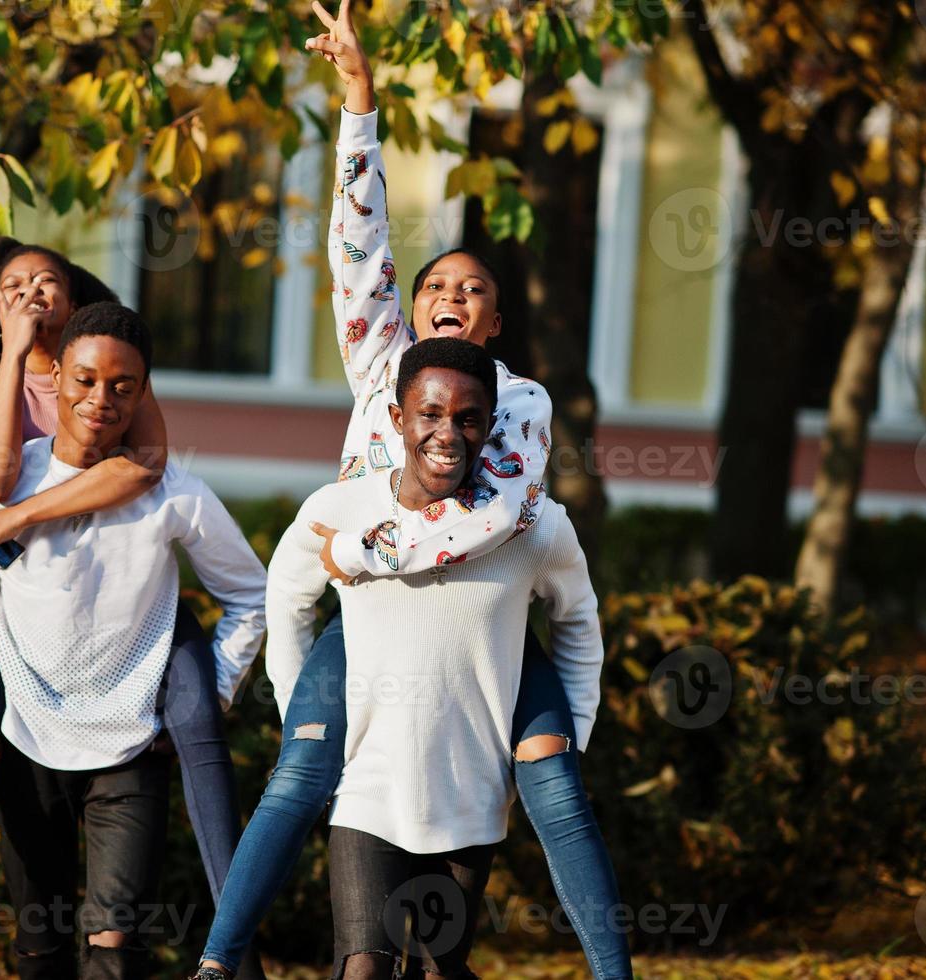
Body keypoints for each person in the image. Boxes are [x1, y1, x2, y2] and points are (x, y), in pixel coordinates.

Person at [190, 4, 632, 977]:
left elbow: (492, 516)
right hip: (374, 624)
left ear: (496, 321)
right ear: (413, 306)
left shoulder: (519, 401)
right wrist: (359, 97)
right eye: (438, 282)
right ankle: (218, 961)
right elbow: (359, 247)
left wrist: (366, 545)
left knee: (553, 782)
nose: (453, 294)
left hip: (489, 627)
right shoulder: (380, 367)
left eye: (475, 289)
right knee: (303, 770)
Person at [0, 239, 267, 980]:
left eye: (123, 388)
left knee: (113, 953)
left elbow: (249, 593)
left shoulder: (173, 491)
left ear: (143, 394)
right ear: (54, 382)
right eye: (85, 381)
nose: (100, 399)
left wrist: (215, 685)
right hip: (26, 738)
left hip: (129, 746)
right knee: (40, 951)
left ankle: (233, 954)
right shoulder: (0, 487)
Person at [267, 338, 605, 979]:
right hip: (368, 789)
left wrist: (575, 734)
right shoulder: (345, 508)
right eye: (430, 414)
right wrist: (302, 726)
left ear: (490, 424)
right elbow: (286, 601)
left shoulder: (532, 525)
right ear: (398, 418)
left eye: (468, 418)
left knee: (439, 970)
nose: (448, 433)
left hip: (471, 795)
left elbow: (580, 626)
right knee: (364, 967)